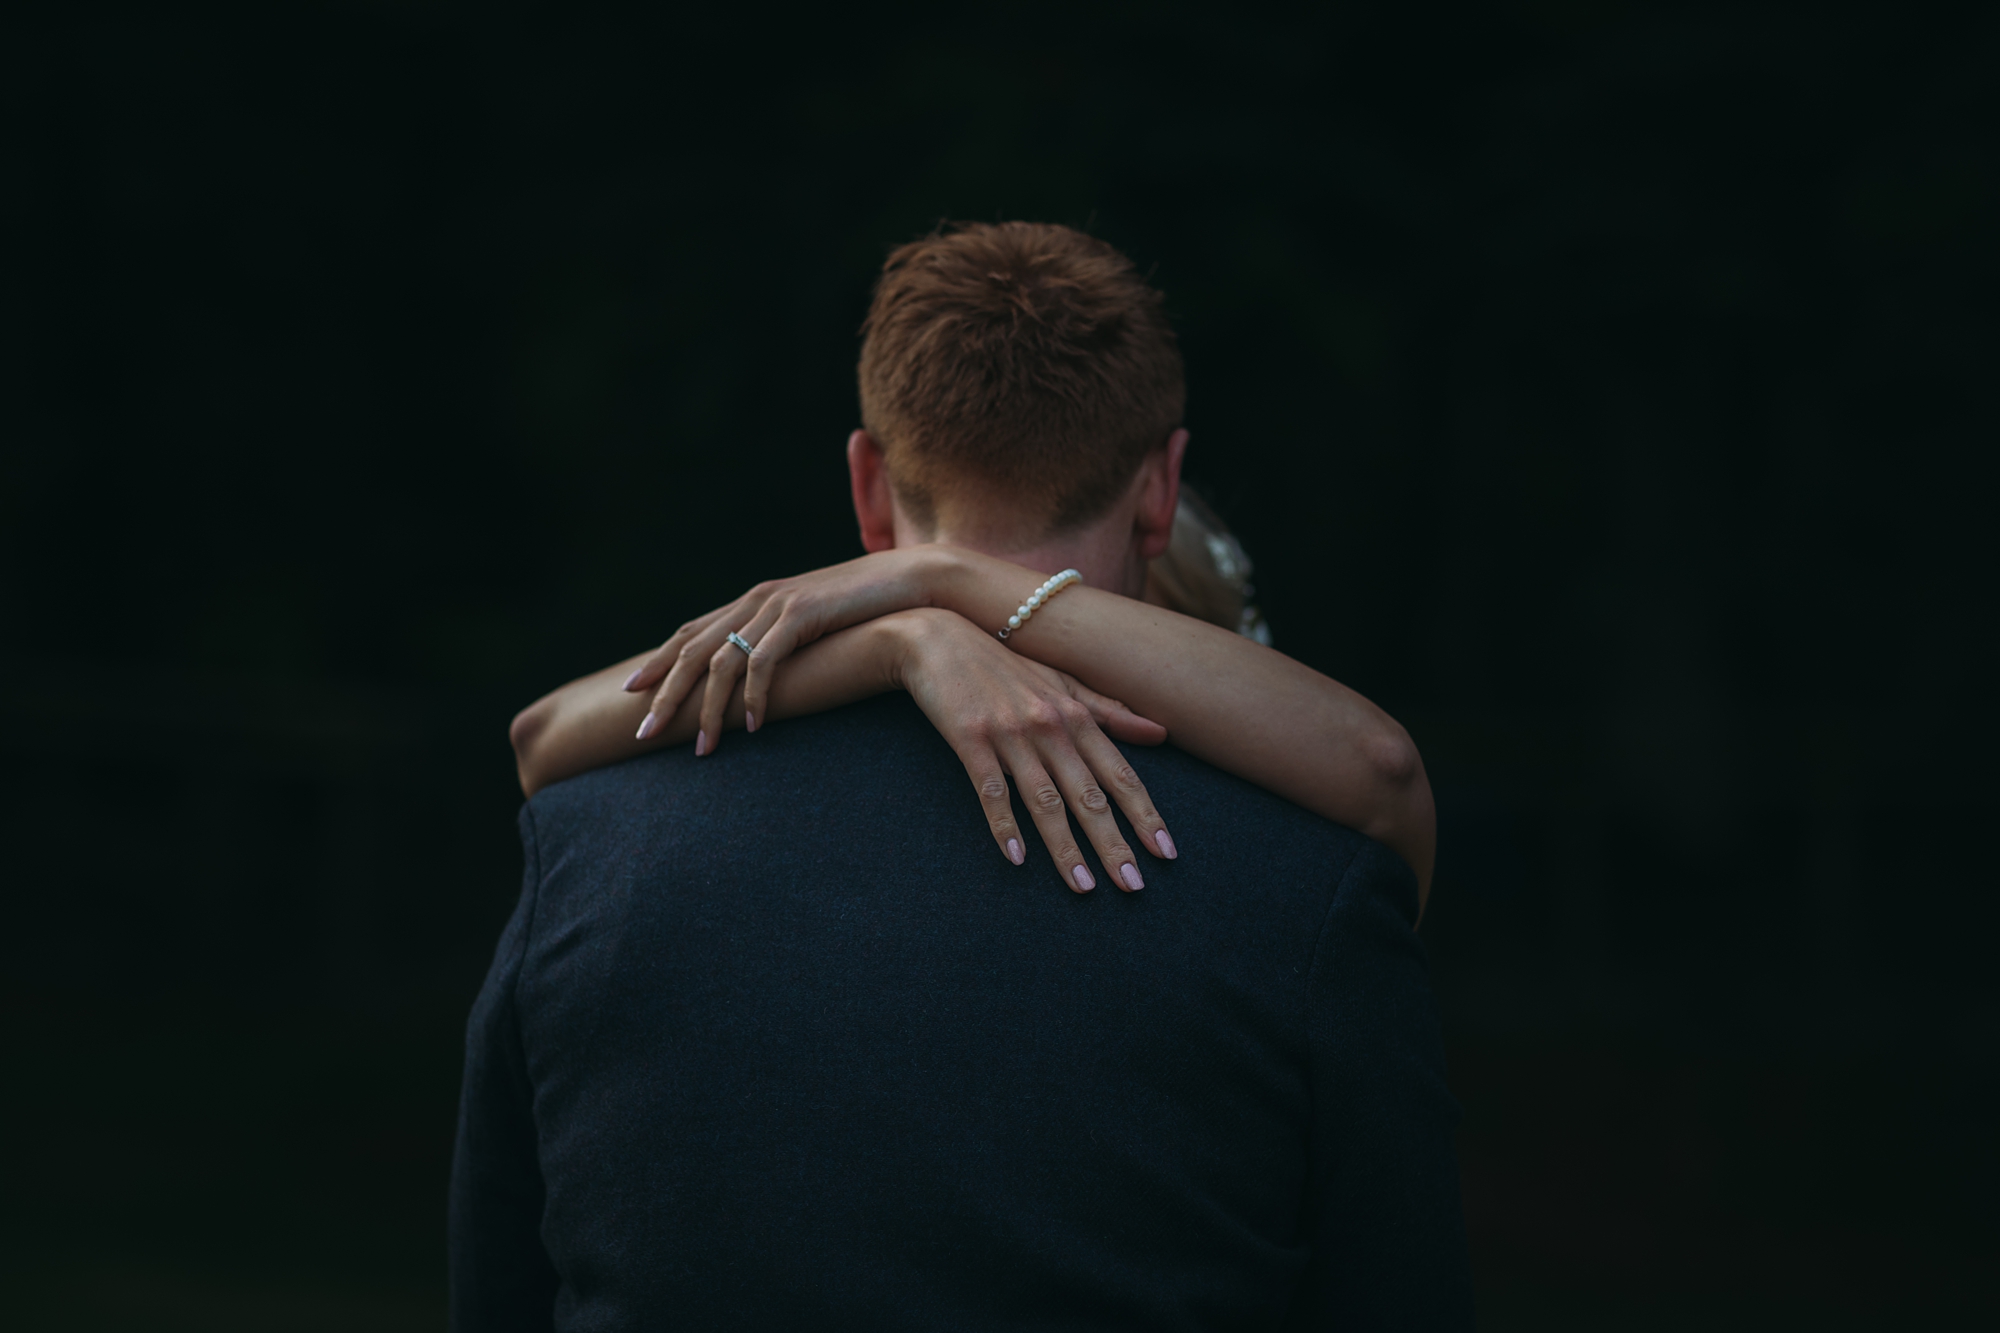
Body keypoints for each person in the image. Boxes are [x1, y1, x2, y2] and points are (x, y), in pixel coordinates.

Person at [451, 222, 1474, 1329]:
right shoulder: (1304, 876)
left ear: (866, 483)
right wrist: (915, 625)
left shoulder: (593, 845)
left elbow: (498, 1290)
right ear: (1159, 485)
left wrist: (931, 592)